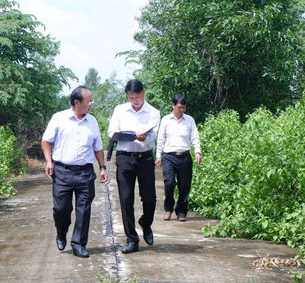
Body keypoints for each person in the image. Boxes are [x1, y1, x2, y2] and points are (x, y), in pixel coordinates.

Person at [41, 86, 108, 258]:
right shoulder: (59, 118)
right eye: (89, 101)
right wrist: (49, 161)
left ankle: (78, 243)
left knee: (83, 210)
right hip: (62, 171)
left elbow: (98, 147)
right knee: (61, 209)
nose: (91, 104)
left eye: (92, 100)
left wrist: (102, 167)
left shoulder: (92, 121)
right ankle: (61, 231)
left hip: (85, 173)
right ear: (76, 102)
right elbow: (46, 141)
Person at [107, 79, 160, 254]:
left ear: (144, 93)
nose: (135, 101)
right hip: (125, 158)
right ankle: (132, 239)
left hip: (145, 158)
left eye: (137, 97)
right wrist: (126, 136)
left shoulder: (153, 112)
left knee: (150, 197)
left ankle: (146, 222)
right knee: (126, 199)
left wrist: (145, 137)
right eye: (131, 98)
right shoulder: (119, 111)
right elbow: (111, 132)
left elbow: (154, 135)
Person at [155, 94, 201, 222]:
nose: (181, 110)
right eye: (179, 107)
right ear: (173, 105)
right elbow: (161, 138)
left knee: (184, 186)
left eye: (184, 107)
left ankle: (181, 211)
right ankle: (168, 209)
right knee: (169, 183)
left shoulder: (189, 120)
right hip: (169, 156)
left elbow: (195, 137)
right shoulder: (166, 120)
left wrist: (198, 152)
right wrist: (158, 155)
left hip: (185, 156)